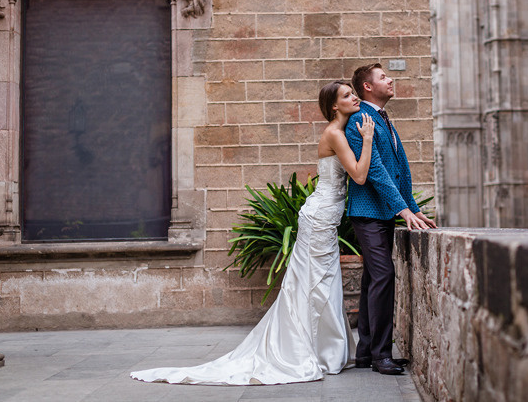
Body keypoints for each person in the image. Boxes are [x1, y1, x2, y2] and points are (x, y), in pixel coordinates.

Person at [130, 81, 374, 385]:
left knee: (320, 281)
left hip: (324, 215)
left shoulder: (340, 131)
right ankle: (308, 351)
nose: (355, 98)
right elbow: (360, 175)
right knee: (316, 282)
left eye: (354, 93)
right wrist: (367, 139)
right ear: (334, 106)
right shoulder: (335, 134)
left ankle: (324, 350)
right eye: (348, 95)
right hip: (320, 217)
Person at [345, 63, 437, 376]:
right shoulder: (361, 118)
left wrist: (413, 205)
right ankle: (381, 354)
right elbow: (374, 171)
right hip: (367, 213)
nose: (391, 79)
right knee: (384, 275)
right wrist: (402, 209)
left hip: (383, 212)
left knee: (374, 278)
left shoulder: (383, 117)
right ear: (367, 87)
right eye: (383, 77)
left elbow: (400, 167)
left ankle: (366, 353)